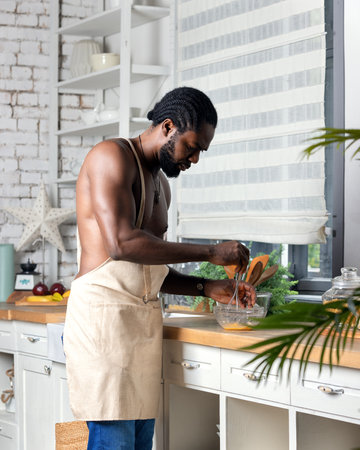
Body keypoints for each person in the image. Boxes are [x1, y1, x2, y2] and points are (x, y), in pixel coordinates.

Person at [63, 86, 255, 450]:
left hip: (141, 329)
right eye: (192, 147)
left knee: (139, 445)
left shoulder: (161, 185)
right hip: (102, 327)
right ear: (168, 127)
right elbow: (121, 244)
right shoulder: (110, 156)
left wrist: (206, 287)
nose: (195, 159)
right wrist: (211, 251)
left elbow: (150, 269)